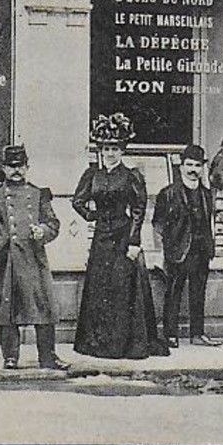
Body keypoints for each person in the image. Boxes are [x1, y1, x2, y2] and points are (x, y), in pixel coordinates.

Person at [71, 113, 168, 360]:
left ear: (121, 150)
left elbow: (138, 209)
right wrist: (90, 215)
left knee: (122, 288)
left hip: (124, 236)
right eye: (106, 149)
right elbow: (78, 200)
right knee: (100, 288)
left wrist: (135, 241)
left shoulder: (130, 175)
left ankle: (122, 345)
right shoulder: (93, 175)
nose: (110, 153)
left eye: (114, 149)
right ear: (100, 151)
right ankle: (98, 344)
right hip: (101, 237)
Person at [0, 144, 67, 370]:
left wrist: (43, 231)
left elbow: (53, 223)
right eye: (11, 166)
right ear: (3, 168)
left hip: (35, 260)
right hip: (7, 261)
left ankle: (48, 356)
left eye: (20, 166)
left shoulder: (38, 194)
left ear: (27, 167)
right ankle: (10, 356)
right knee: (7, 309)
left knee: (43, 307)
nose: (16, 170)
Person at [153, 143, 222, 348]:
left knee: (198, 293)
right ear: (181, 166)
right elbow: (157, 224)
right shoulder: (168, 193)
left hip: (201, 252)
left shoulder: (206, 194)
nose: (193, 170)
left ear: (202, 168)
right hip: (178, 252)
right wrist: (163, 250)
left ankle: (197, 334)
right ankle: (170, 334)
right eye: (189, 165)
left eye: (197, 165)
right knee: (173, 292)